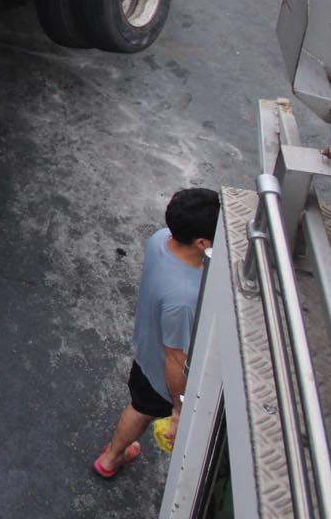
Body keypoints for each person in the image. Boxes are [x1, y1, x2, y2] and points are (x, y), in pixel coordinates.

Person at [94, 187, 220, 478]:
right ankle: (111, 458)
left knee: (139, 405)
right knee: (141, 410)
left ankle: (116, 454)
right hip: (162, 375)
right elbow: (175, 359)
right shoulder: (183, 299)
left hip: (146, 350)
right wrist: (178, 407)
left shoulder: (160, 239)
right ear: (202, 242)